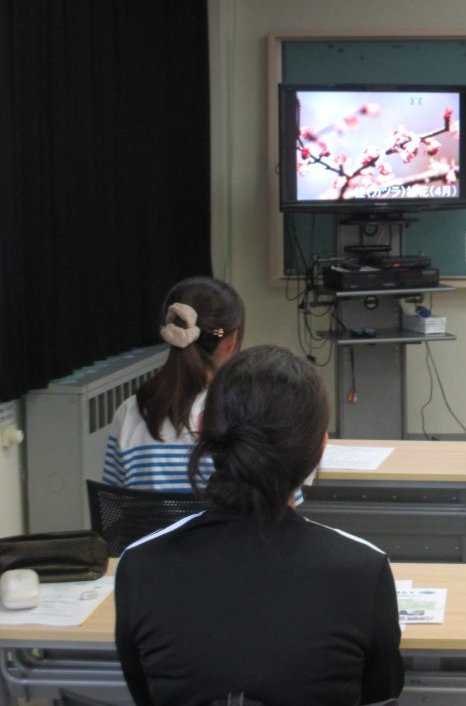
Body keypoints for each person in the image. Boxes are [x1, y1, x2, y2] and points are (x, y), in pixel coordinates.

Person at [115, 344, 404, 706]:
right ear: (320, 448)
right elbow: (381, 695)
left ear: (203, 428)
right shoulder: (364, 568)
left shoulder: (139, 565)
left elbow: (145, 693)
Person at [102, 276, 244, 492]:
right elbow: (279, 510)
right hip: (222, 528)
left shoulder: (130, 412)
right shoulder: (248, 411)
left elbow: (115, 507)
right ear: (232, 341)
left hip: (150, 528)